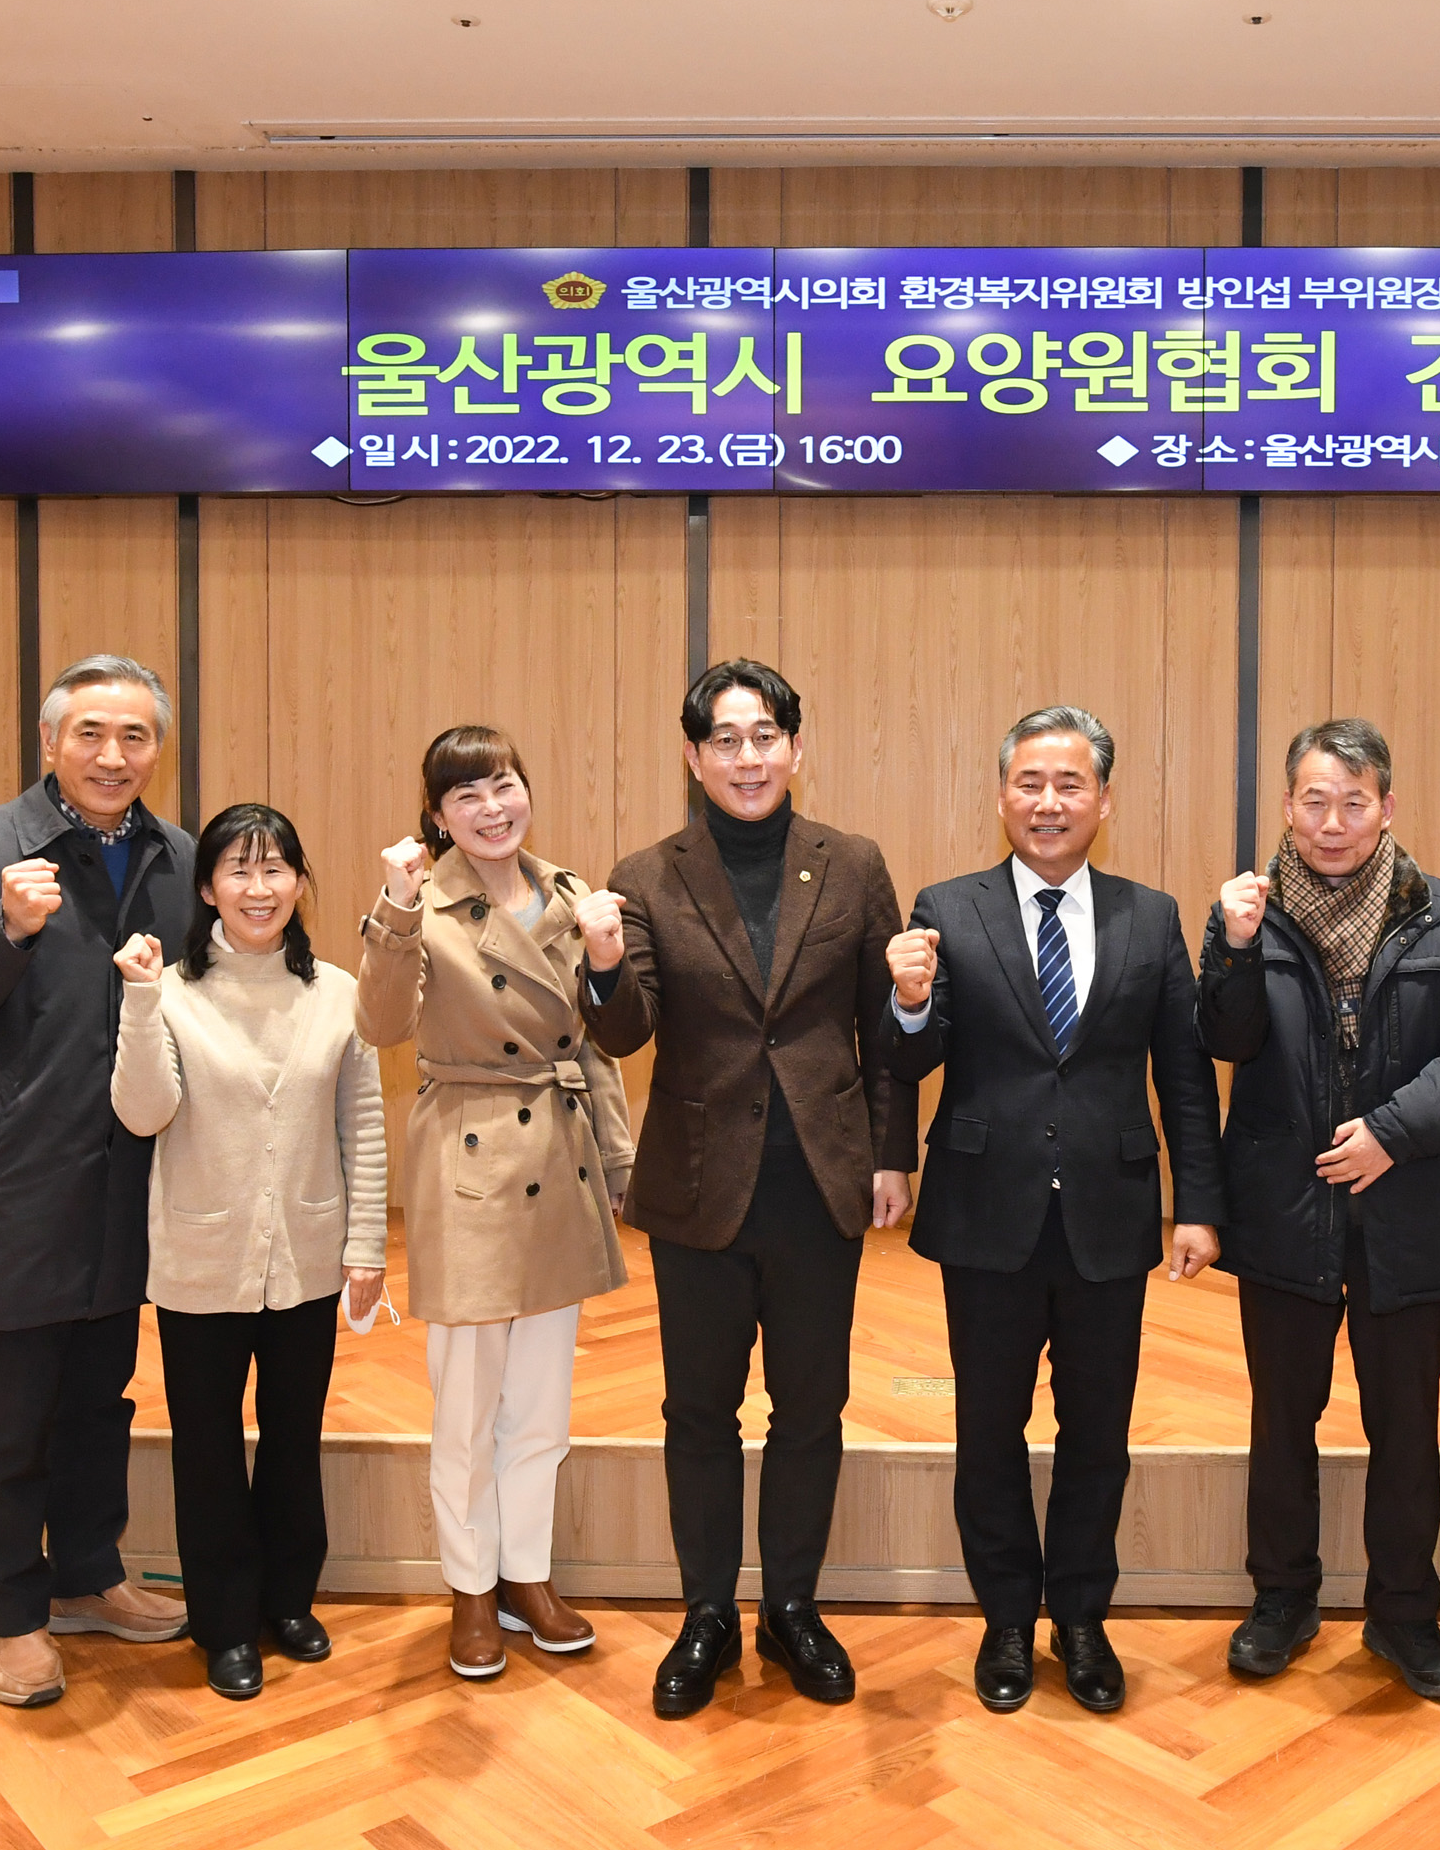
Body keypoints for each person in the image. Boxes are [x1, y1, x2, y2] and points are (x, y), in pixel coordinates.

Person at [581, 660, 915, 1719]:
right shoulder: (647, 874)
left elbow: (887, 1026)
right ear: (693, 757)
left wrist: (893, 1152)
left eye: (765, 735)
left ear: (796, 747)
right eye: (724, 739)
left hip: (820, 1181)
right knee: (699, 1410)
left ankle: (794, 1608)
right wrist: (600, 962)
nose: (747, 757)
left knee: (812, 1407)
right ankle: (707, 1613)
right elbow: (625, 1031)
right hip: (698, 1186)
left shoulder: (853, 864)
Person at [886, 706, 1225, 1716]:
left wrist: (1198, 1204)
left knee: (1098, 1433)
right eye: (1029, 782)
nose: (1048, 801)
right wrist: (909, 1002)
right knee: (988, 1428)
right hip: (986, 1209)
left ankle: (1080, 1617)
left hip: (1110, 1214)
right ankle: (1004, 1619)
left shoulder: (1150, 916)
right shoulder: (948, 907)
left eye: (1069, 783)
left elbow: (1184, 1076)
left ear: (1104, 800)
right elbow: (910, 1057)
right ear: (1001, 795)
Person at [0, 654, 198, 1709]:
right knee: (9, 1424)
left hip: (127, 1190)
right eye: (91, 733)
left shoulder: (180, 857)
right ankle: (11, 1620)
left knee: (97, 1405)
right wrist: (7, 929)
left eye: (135, 735)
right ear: (50, 741)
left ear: (158, 747)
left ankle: (87, 1574)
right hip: (13, 1190)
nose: (113, 755)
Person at [1198, 718, 1440, 1704]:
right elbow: (1222, 1039)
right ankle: (1281, 1599)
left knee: (1406, 1425)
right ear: (1288, 807)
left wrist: (1390, 1131)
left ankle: (1405, 1612)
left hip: (1410, 1205)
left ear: (1387, 807)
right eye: (1314, 801)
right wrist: (1234, 949)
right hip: (1283, 1206)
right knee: (1281, 1421)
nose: (1332, 823)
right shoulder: (1246, 913)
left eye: (1353, 802)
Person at [355, 726, 636, 1681]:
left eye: (503, 785)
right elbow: (380, 1025)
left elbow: (591, 1045)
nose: (491, 808)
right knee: (468, 1404)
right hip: (468, 1161)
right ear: (436, 817)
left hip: (558, 1154)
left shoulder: (570, 895)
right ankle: (470, 1588)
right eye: (465, 796)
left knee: (542, 1404)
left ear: (526, 791)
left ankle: (528, 1576)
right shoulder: (421, 903)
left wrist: (619, 1159)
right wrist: (395, 907)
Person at [111, 804, 387, 1701]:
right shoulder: (170, 991)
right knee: (207, 1449)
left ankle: (287, 1601)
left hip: (308, 1252)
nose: (258, 888)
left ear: (300, 883)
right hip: (200, 1260)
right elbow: (143, 1114)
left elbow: (364, 1126)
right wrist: (139, 1003)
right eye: (238, 869)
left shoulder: (338, 992)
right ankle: (225, 1623)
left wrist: (367, 1244)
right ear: (207, 887)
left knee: (294, 1438)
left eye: (275, 870)